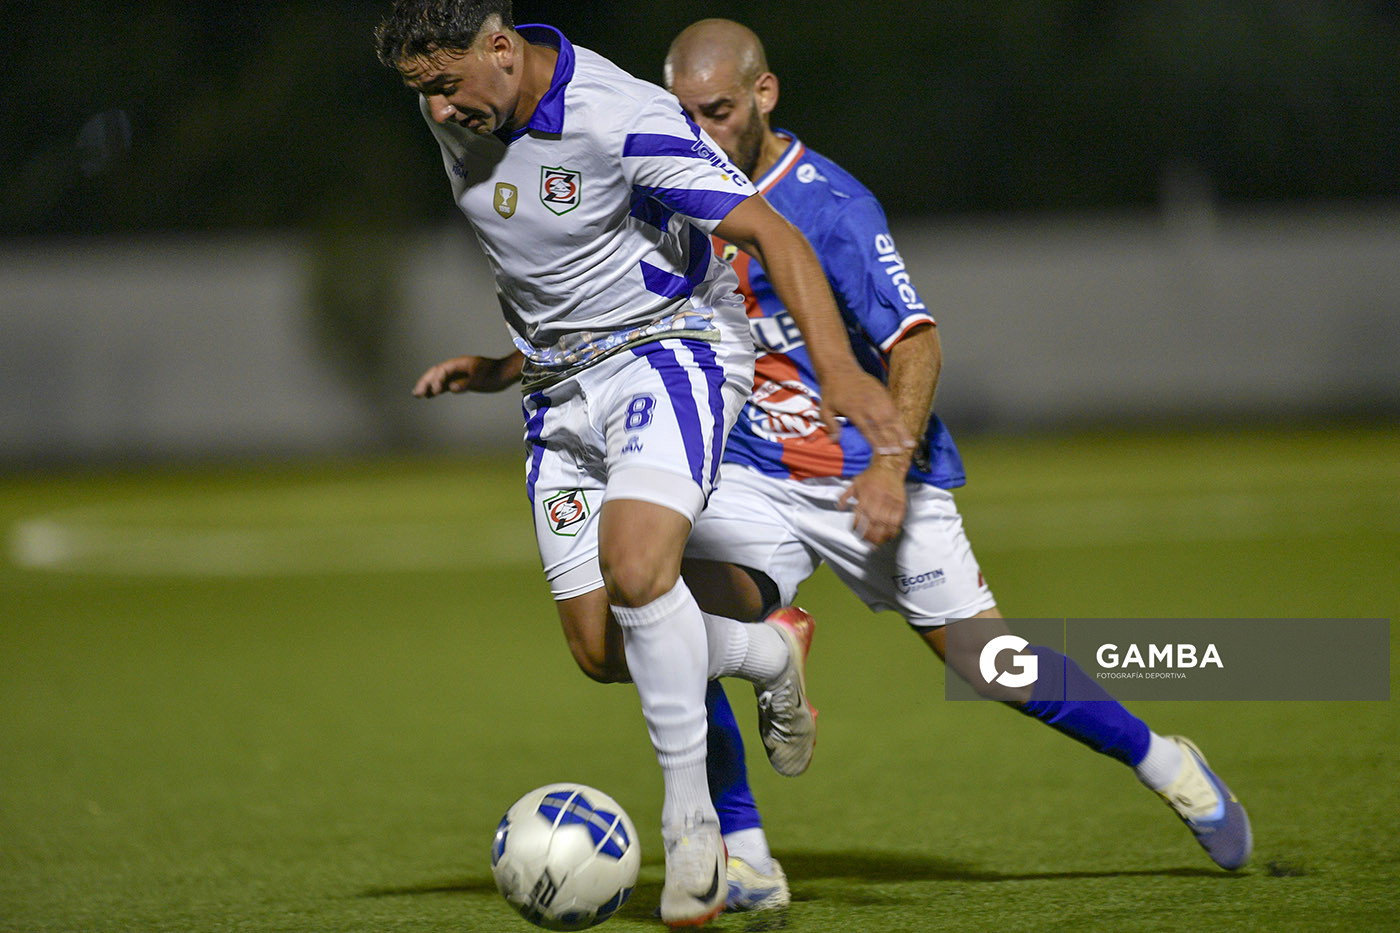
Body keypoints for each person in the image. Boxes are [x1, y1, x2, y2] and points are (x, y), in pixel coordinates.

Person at [659, 18, 1254, 907]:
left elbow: (918, 344)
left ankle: (1161, 757)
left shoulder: (831, 207)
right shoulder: (677, 192)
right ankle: (744, 852)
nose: (699, 133)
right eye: (684, 114)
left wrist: (890, 468)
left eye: (716, 111)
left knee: (992, 665)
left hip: (871, 466)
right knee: (678, 618)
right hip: (757, 472)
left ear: (764, 95)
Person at [372, 2, 913, 926]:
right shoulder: (453, 106)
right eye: (422, 92)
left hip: (669, 349)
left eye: (448, 85)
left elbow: (772, 236)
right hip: (557, 387)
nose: (441, 110)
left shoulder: (624, 116)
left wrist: (840, 374)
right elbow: (547, 260)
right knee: (597, 648)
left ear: (501, 48)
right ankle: (767, 648)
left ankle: (692, 830)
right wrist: (507, 367)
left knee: (637, 567)